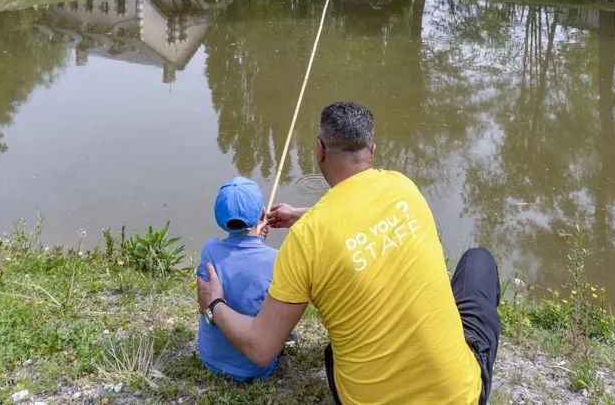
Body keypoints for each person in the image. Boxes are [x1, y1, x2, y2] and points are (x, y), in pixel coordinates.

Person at [197, 102, 502, 404]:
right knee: (478, 260)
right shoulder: (404, 187)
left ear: (319, 151)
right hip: (460, 398)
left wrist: (215, 304)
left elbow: (261, 348)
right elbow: (358, 209)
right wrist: (303, 215)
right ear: (372, 151)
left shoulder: (306, 240)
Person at [196, 176, 281, 381]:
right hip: (256, 366)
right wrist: (259, 245)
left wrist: (255, 242)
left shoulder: (209, 249)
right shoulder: (274, 259)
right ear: (262, 213)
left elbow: (203, 300)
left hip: (211, 359)